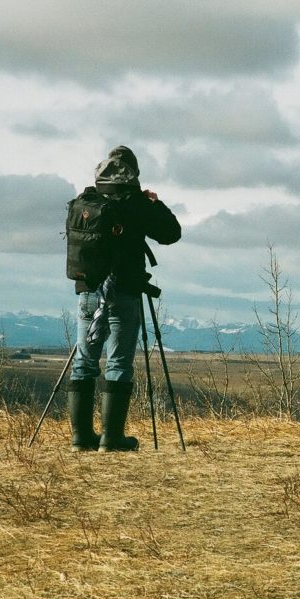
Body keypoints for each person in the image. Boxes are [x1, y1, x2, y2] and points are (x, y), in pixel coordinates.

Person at [68, 145, 181, 452]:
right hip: (123, 291)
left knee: (84, 361)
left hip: (88, 291)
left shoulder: (87, 200)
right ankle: (111, 438)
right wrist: (155, 205)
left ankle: (81, 437)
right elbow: (172, 233)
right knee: (118, 362)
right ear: (133, 173)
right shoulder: (135, 202)